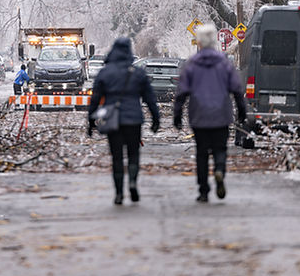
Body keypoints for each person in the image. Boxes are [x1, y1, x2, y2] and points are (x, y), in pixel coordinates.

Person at [174, 23, 246, 203]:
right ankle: (220, 170)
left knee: (202, 153)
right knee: (220, 148)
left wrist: (177, 115)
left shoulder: (192, 64)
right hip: (221, 114)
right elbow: (237, 89)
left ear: (199, 42)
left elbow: (182, 92)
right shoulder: (224, 63)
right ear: (214, 40)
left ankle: (203, 190)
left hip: (199, 115)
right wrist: (242, 112)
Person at [87, 37, 160, 205]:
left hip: (112, 120)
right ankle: (133, 182)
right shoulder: (137, 73)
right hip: (133, 120)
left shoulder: (105, 73)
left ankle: (119, 192)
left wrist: (90, 121)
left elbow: (95, 99)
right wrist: (156, 119)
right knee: (133, 154)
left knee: (117, 157)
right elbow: (150, 98)